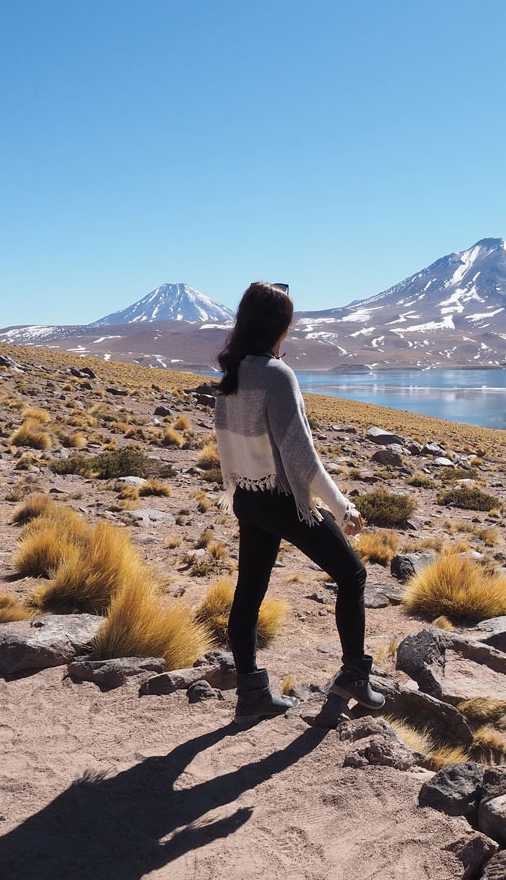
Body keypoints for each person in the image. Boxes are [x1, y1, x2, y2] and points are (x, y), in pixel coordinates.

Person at [213, 281, 384, 724]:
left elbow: (231, 447)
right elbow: (300, 457)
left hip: (248, 497)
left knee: (249, 592)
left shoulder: (233, 373)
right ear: (280, 325)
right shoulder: (275, 374)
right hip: (282, 499)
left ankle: (252, 692)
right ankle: (353, 676)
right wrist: (342, 507)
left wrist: (241, 492)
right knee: (353, 575)